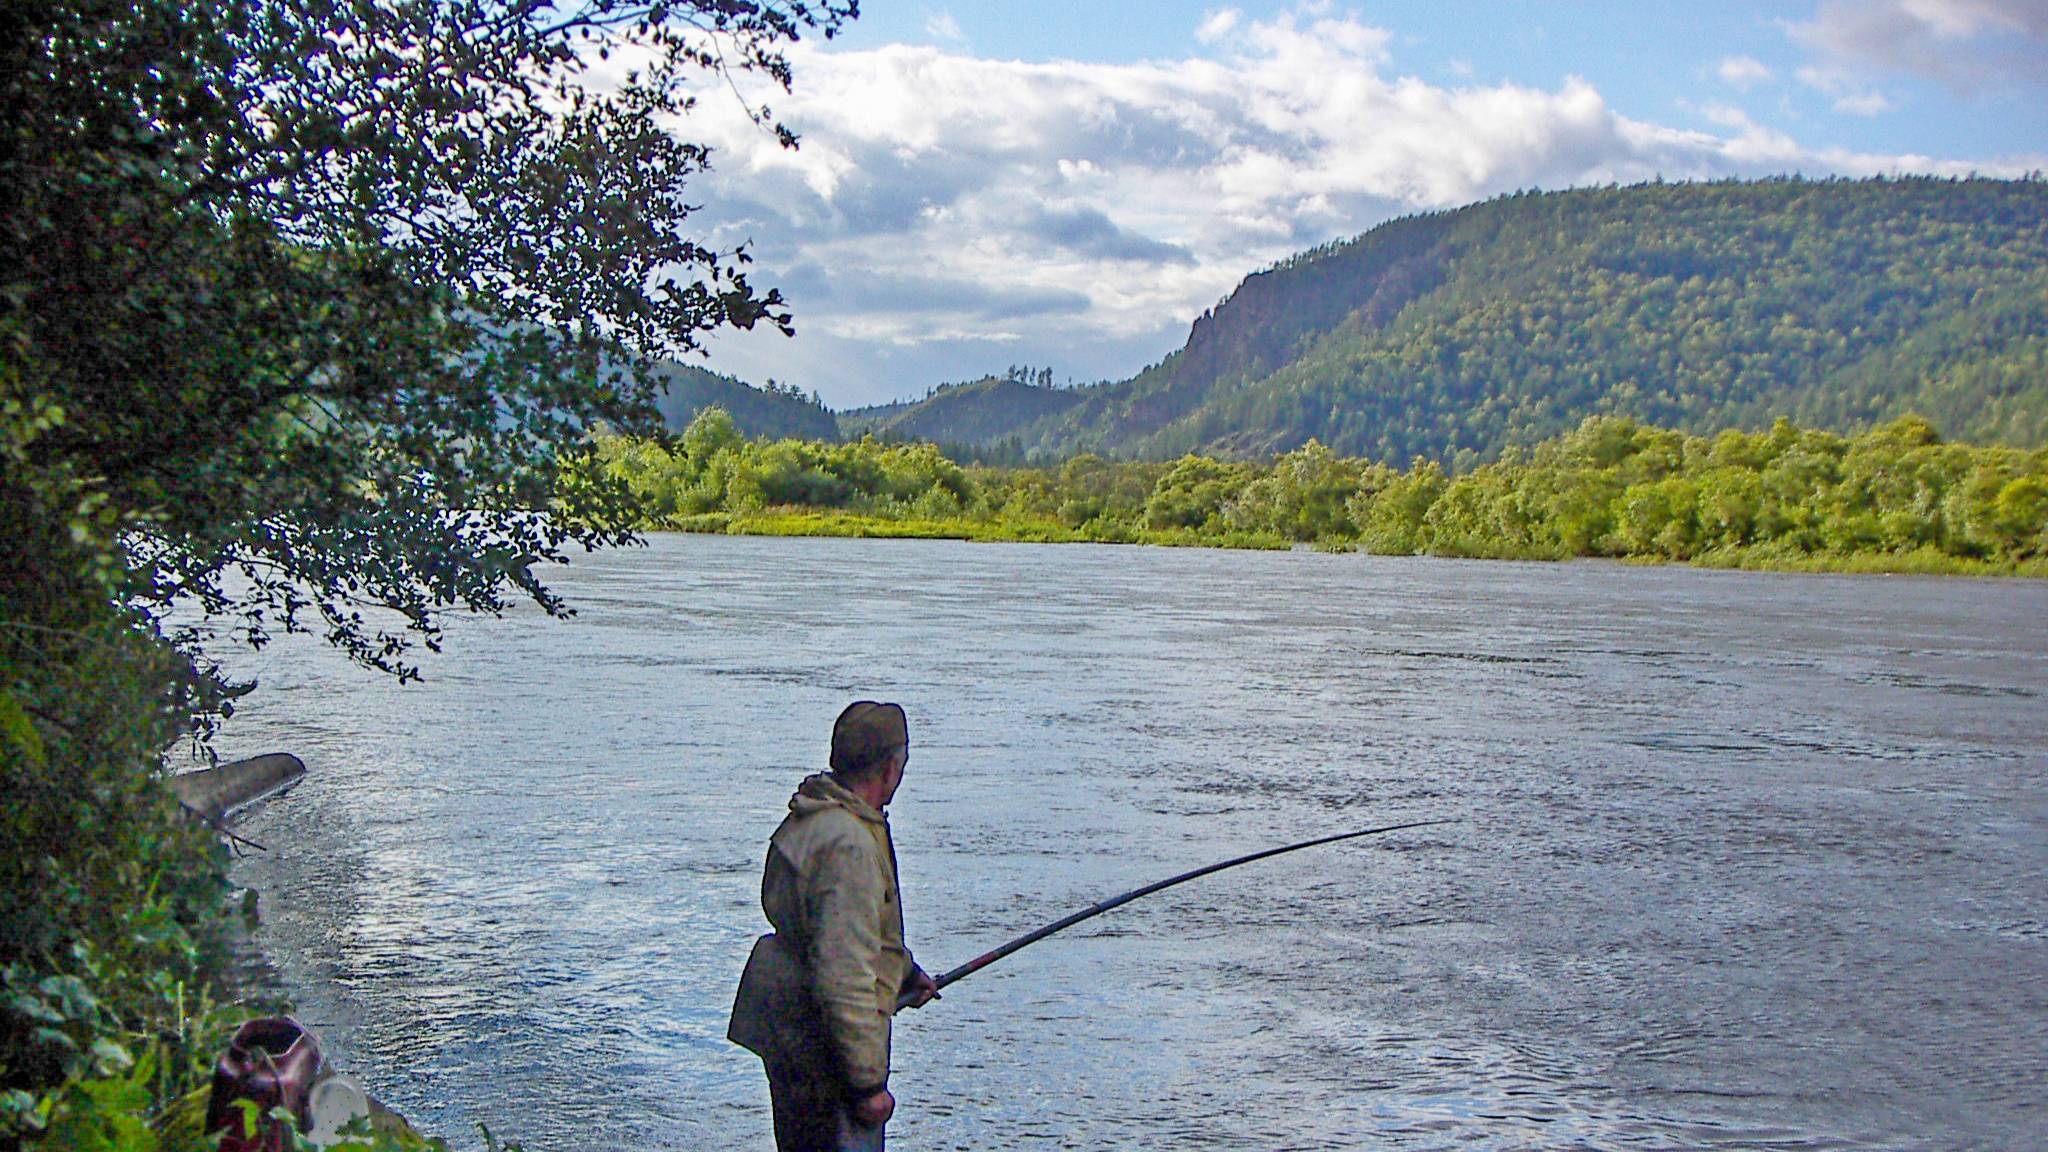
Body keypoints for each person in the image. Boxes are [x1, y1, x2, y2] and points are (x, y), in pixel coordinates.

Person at [729, 701, 940, 1152]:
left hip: (792, 1035)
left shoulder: (815, 815)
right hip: (824, 1053)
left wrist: (902, 971)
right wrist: (868, 1088)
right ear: (889, 767)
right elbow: (842, 975)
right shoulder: (850, 847)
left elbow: (832, 930)